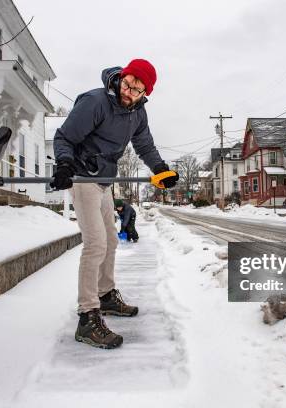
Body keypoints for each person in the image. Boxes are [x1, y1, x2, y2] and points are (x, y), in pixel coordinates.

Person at [52, 59, 178, 349]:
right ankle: (87, 316)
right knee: (95, 243)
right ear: (122, 77)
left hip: (105, 180)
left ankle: (105, 295)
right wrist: (64, 163)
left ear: (146, 92)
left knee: (110, 240)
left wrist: (160, 169)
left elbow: (144, 145)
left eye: (137, 89)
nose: (129, 91)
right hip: (82, 177)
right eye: (128, 83)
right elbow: (64, 137)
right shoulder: (95, 102)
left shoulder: (138, 113)